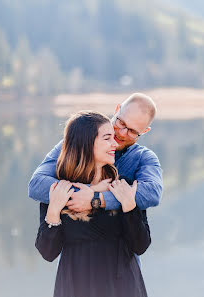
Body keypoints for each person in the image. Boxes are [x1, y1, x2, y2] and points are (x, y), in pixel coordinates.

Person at [35, 111, 150, 297]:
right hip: (76, 287)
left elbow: (140, 245)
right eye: (107, 138)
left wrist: (129, 205)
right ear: (86, 143)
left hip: (122, 288)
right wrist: (54, 210)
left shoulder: (123, 186)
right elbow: (48, 253)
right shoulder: (59, 190)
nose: (115, 143)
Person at [28, 93, 162, 220]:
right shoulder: (77, 142)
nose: (121, 133)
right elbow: (37, 185)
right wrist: (88, 192)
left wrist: (97, 199)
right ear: (117, 110)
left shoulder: (144, 158)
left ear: (144, 131)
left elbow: (152, 194)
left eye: (132, 131)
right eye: (121, 123)